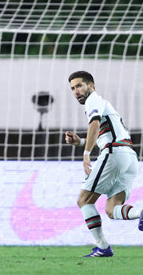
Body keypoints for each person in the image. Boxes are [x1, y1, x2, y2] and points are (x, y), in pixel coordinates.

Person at [65, 71, 143, 257]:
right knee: (112, 209)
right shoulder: (104, 105)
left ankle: (102, 247)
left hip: (114, 154)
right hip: (129, 157)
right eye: (73, 88)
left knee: (84, 201)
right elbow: (104, 134)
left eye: (79, 86)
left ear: (91, 85)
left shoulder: (93, 99)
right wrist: (80, 142)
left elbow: (95, 125)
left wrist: (86, 154)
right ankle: (140, 213)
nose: (76, 91)